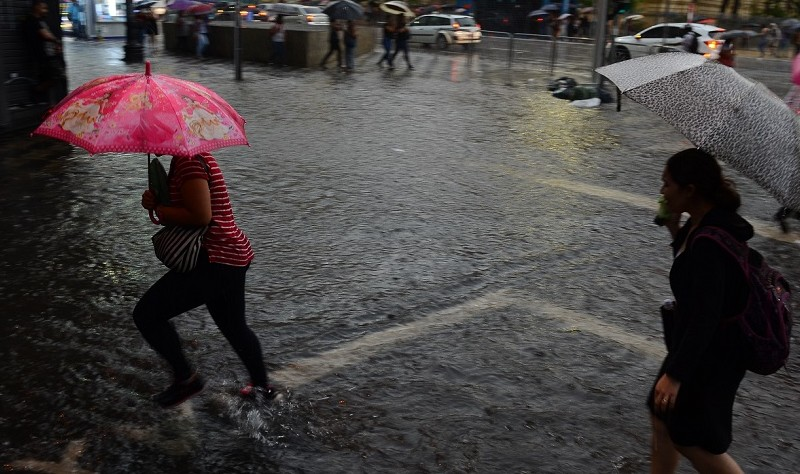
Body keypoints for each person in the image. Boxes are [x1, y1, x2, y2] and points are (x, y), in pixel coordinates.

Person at [135, 153, 273, 408]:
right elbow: (189, 208)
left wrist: (161, 210)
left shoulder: (188, 162)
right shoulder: (187, 159)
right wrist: (155, 203)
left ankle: (186, 379)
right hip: (230, 255)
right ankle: (262, 387)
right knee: (234, 326)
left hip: (215, 258)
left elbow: (201, 216)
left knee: (147, 315)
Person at [650, 148, 751, 473]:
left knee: (691, 440)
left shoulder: (710, 239)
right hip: (699, 345)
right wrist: (674, 228)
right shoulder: (702, 223)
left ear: (690, 190)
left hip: (710, 354)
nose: (661, 191)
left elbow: (706, 315)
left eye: (667, 184)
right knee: (662, 418)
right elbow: (692, 275)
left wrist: (676, 376)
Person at [22, 0, 65, 105]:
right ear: (36, 7)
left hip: (47, 55)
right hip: (42, 56)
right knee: (56, 75)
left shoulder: (40, 20)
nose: (46, 11)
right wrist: (56, 41)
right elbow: (45, 35)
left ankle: (42, 97)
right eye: (43, 8)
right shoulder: (32, 20)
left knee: (55, 76)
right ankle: (37, 91)